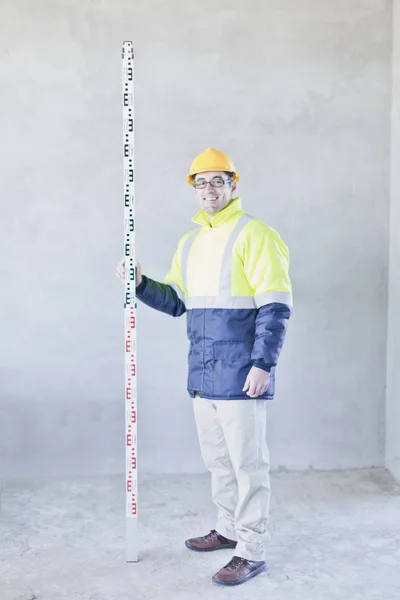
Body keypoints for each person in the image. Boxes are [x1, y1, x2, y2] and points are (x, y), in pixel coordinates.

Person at [116, 148, 292, 587]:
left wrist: (263, 364)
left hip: (241, 372)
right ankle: (229, 529)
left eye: (218, 180)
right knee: (219, 462)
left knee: (248, 464)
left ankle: (251, 550)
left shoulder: (256, 235)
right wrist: (139, 284)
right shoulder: (190, 242)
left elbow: (275, 306)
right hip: (203, 370)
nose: (209, 189)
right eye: (201, 182)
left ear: (234, 184)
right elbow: (177, 301)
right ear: (193, 190)